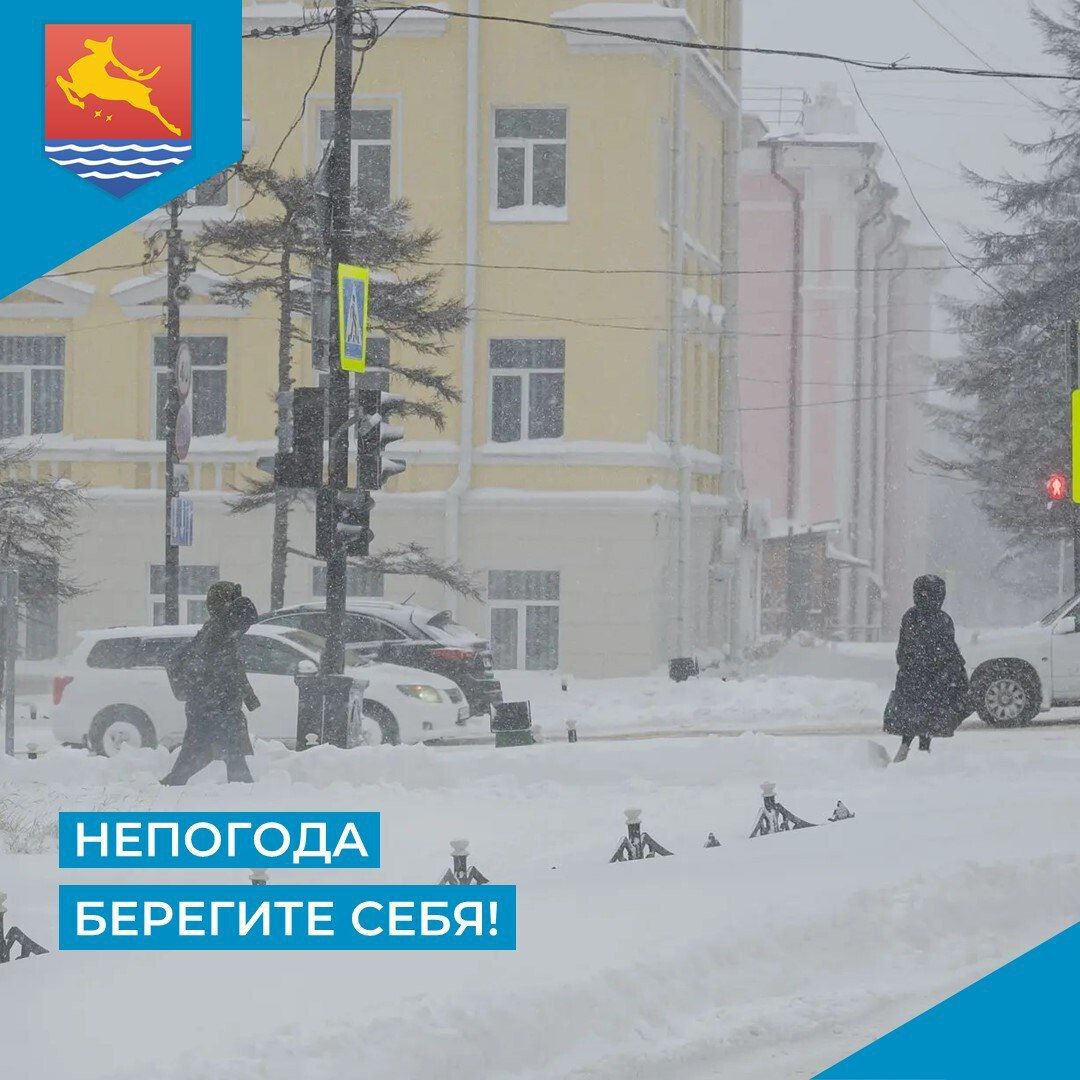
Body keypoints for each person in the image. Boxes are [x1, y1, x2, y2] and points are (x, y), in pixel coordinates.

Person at [161, 581, 261, 786]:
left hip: (213, 705)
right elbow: (246, 613)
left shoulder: (216, 630)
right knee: (212, 751)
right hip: (214, 706)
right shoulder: (219, 629)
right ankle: (172, 785)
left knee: (221, 752)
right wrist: (236, 602)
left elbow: (234, 668)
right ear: (223, 604)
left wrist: (248, 695)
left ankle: (241, 787)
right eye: (230, 600)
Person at [885, 575, 971, 763]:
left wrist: (907, 665)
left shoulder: (910, 616)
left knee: (911, 714)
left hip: (911, 677)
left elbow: (903, 648)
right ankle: (924, 751)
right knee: (929, 715)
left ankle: (905, 746)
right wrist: (956, 669)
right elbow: (950, 650)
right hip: (935, 679)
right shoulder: (943, 619)